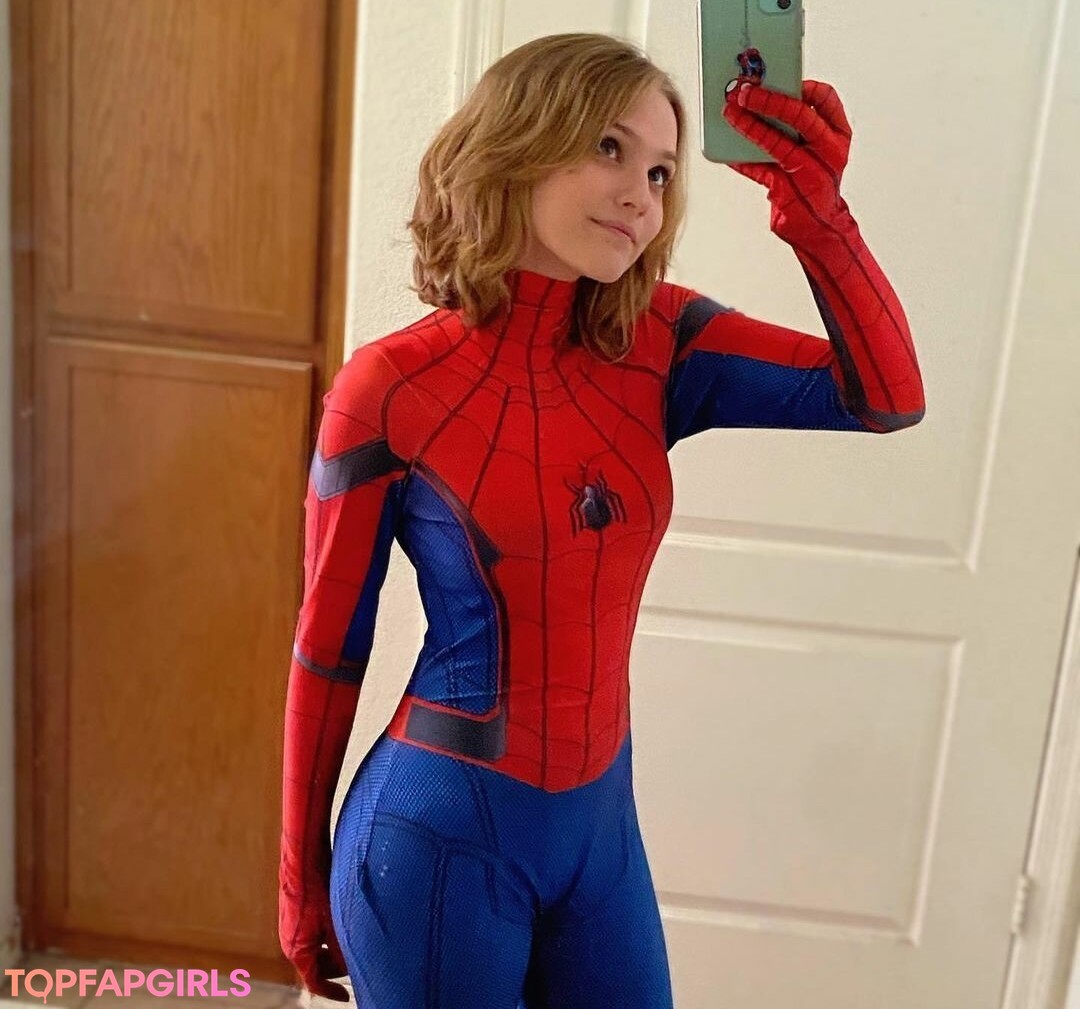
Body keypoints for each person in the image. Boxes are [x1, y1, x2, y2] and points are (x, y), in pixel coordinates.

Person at [278, 31, 924, 1009]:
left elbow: (885, 397)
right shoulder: (389, 387)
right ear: (517, 144)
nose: (640, 196)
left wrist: (819, 215)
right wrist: (299, 879)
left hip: (601, 830)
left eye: (661, 171)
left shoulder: (659, 341)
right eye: (610, 148)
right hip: (433, 840)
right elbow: (329, 651)